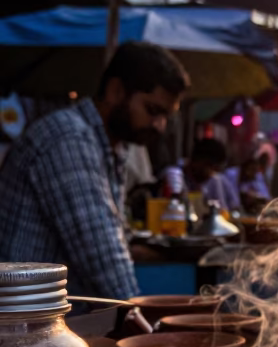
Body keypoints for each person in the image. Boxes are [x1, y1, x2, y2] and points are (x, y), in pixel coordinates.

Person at [0, 42, 189, 299]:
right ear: (116, 91)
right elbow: (102, 257)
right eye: (153, 110)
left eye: (166, 116)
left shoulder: (111, 147)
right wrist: (139, 320)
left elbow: (115, 236)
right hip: (24, 323)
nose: (159, 126)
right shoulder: (68, 138)